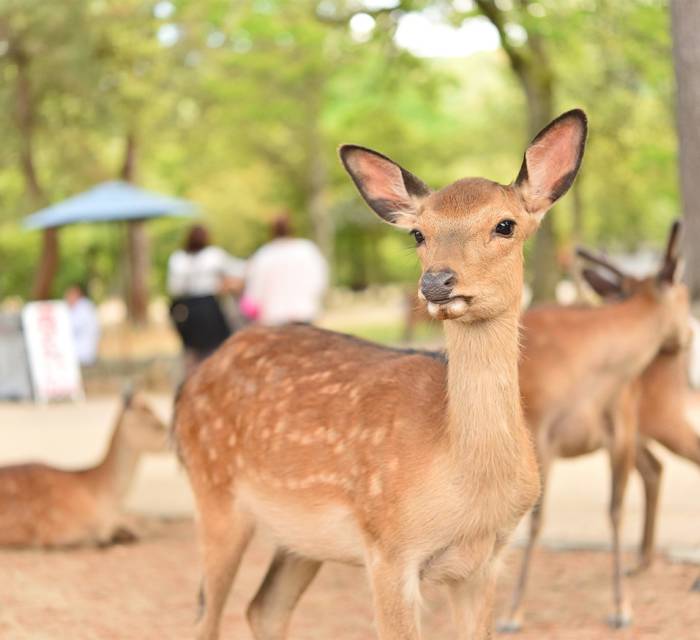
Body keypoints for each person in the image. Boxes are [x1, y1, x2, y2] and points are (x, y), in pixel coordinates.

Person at [167, 225, 245, 373]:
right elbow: (237, 270)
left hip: (187, 309)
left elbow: (174, 288)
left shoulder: (178, 258)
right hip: (208, 307)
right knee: (214, 351)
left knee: (192, 355)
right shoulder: (213, 256)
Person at [240, 214, 328, 326]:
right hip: (304, 315)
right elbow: (320, 281)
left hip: (275, 320)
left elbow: (255, 292)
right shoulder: (307, 249)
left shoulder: (263, 255)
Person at [64, 283, 100, 366]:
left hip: (82, 353)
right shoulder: (80, 307)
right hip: (83, 351)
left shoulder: (84, 308)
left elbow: (71, 327)